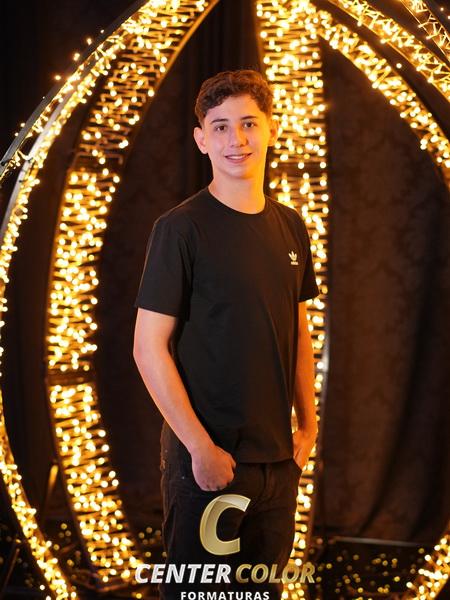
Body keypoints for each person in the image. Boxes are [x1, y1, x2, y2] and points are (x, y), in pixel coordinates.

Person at [133, 69, 319, 599]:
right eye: (220, 127)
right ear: (201, 139)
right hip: (209, 462)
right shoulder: (180, 229)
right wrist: (200, 448)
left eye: (248, 123)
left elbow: (298, 330)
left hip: (278, 464)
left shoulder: (290, 226)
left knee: (261, 594)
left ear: (271, 129)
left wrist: (308, 425)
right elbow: (148, 348)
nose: (236, 139)